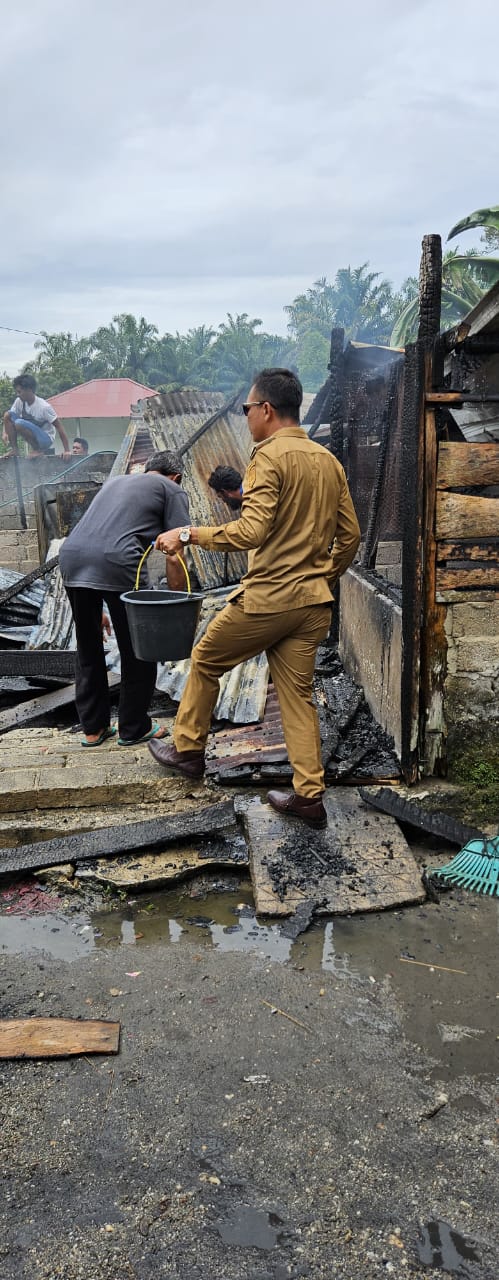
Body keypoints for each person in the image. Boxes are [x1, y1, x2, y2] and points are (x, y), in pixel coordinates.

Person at [148, 368, 361, 830]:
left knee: (204, 659)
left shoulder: (267, 457)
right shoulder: (328, 460)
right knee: (297, 697)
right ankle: (309, 797)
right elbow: (351, 536)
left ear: (265, 409)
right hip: (311, 604)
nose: (246, 417)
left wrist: (188, 534)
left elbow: (251, 531)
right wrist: (323, 576)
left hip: (269, 600)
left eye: (247, 408)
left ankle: (188, 751)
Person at [59, 449, 190, 748]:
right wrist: (177, 603)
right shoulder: (173, 489)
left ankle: (93, 729)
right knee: (139, 646)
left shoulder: (116, 481)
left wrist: (98, 605)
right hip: (118, 563)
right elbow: (176, 552)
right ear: (176, 476)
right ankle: (133, 727)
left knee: (88, 645)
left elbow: (98, 535)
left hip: (71, 559)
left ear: (148, 470)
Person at [3, 374, 69, 457]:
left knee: (19, 423)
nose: (18, 394)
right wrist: (5, 432)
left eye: (20, 392)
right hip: (31, 433)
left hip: (45, 439)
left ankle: (38, 450)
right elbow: (9, 417)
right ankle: (15, 450)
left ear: (29, 390)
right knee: (7, 415)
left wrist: (67, 450)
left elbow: (59, 426)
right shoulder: (19, 401)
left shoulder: (44, 407)